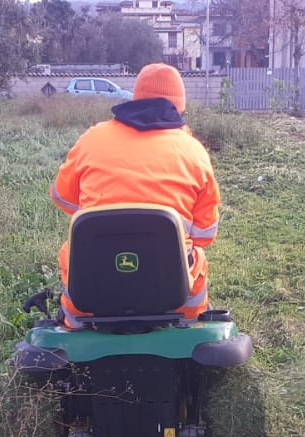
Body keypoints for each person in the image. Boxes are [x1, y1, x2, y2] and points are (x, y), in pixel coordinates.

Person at [49, 64, 221, 328]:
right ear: (179, 106)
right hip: (168, 282)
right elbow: (204, 235)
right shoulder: (194, 151)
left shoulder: (92, 139)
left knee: (70, 251)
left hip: (96, 276)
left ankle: (76, 324)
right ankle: (189, 322)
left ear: (135, 97)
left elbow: (63, 198)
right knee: (196, 256)